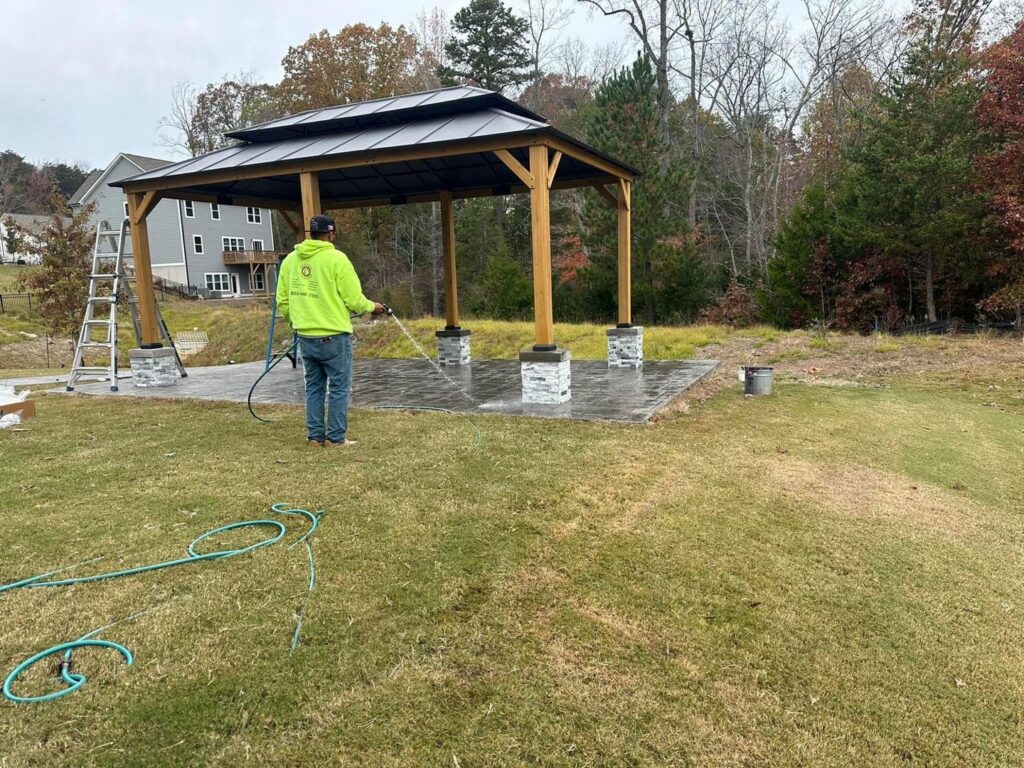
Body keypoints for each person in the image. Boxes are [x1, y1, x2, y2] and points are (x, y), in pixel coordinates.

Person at [276, 214, 386, 447]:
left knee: (314, 386)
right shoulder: (337, 259)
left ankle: (315, 437)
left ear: (310, 233)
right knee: (339, 387)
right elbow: (354, 300)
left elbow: (283, 301)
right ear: (331, 234)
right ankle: (336, 438)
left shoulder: (290, 261)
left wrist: (296, 321)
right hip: (334, 337)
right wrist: (373, 307)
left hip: (305, 335)